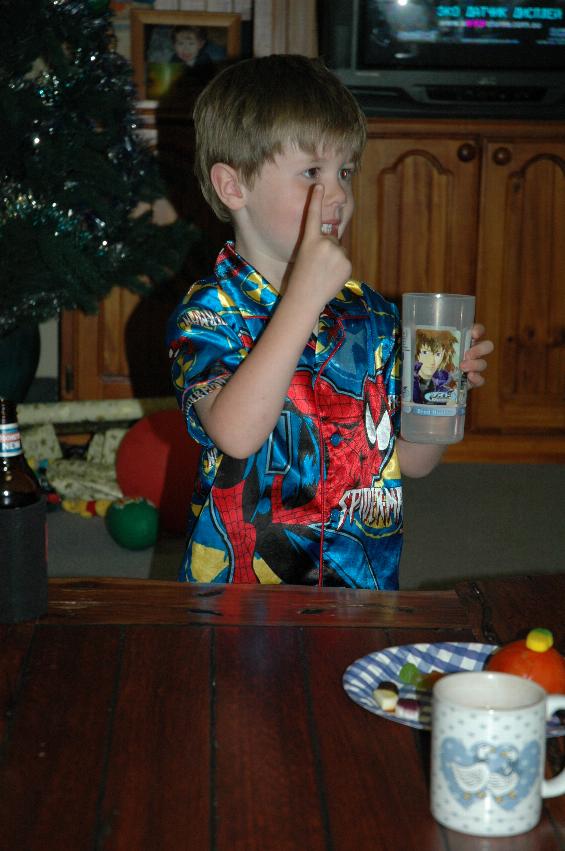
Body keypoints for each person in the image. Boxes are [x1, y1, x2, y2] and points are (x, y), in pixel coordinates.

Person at [166, 54, 494, 589]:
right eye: (313, 173)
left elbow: (411, 460)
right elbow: (237, 433)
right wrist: (302, 301)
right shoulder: (209, 312)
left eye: (344, 171)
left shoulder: (370, 314)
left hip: (359, 588)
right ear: (233, 187)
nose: (338, 194)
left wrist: (437, 393)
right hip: (239, 593)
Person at [413, 328, 458, 404]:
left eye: (438, 354)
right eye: (425, 352)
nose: (432, 361)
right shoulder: (408, 378)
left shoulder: (445, 380)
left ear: (444, 356)